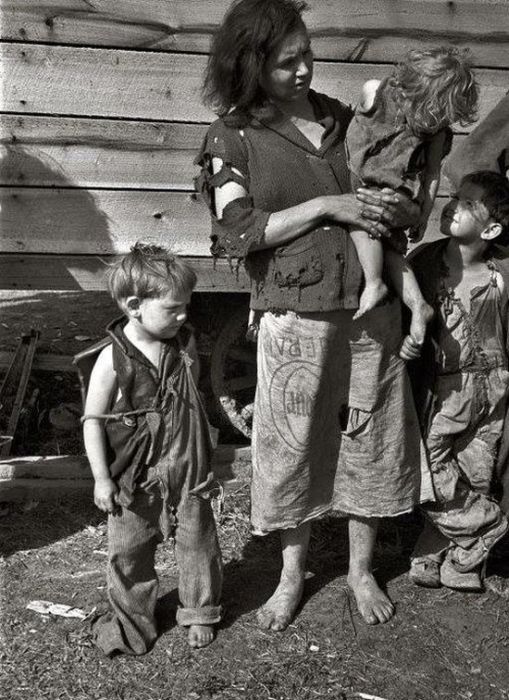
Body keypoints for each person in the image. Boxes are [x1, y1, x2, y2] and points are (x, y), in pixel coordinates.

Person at [196, 0, 431, 629]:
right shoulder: (233, 137)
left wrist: (401, 211)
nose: (303, 70)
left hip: (366, 308)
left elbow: (392, 206)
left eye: (306, 53)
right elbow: (236, 231)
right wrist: (330, 205)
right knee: (291, 446)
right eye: (285, 62)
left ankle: (359, 571)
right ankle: (290, 576)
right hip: (292, 313)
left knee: (371, 439)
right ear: (250, 66)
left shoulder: (344, 120)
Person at [79, 243, 222, 656]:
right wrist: (102, 478)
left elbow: (193, 401)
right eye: (174, 308)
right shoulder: (112, 359)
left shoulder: (182, 346)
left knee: (198, 544)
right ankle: (131, 622)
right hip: (136, 474)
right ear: (135, 305)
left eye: (186, 307)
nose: (183, 316)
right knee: (128, 553)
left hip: (187, 467)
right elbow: (93, 421)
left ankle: (199, 611)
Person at [401, 171, 509, 591]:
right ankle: (491, 527)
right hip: (445, 388)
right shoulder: (425, 264)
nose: (452, 204)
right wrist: (407, 346)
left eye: (467, 204)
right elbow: (402, 317)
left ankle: (453, 558)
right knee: (428, 469)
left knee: (477, 466)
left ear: (492, 229)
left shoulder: (502, 271)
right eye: (454, 196)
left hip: (495, 385)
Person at [346, 46, 478, 335]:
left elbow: (431, 173)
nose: (434, 125)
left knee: (369, 228)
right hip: (360, 180)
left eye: (442, 120)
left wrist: (423, 214)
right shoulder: (375, 92)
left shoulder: (437, 130)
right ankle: (418, 304)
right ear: (413, 91)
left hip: (395, 190)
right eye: (433, 115)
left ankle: (375, 284)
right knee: (386, 245)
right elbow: (355, 133)